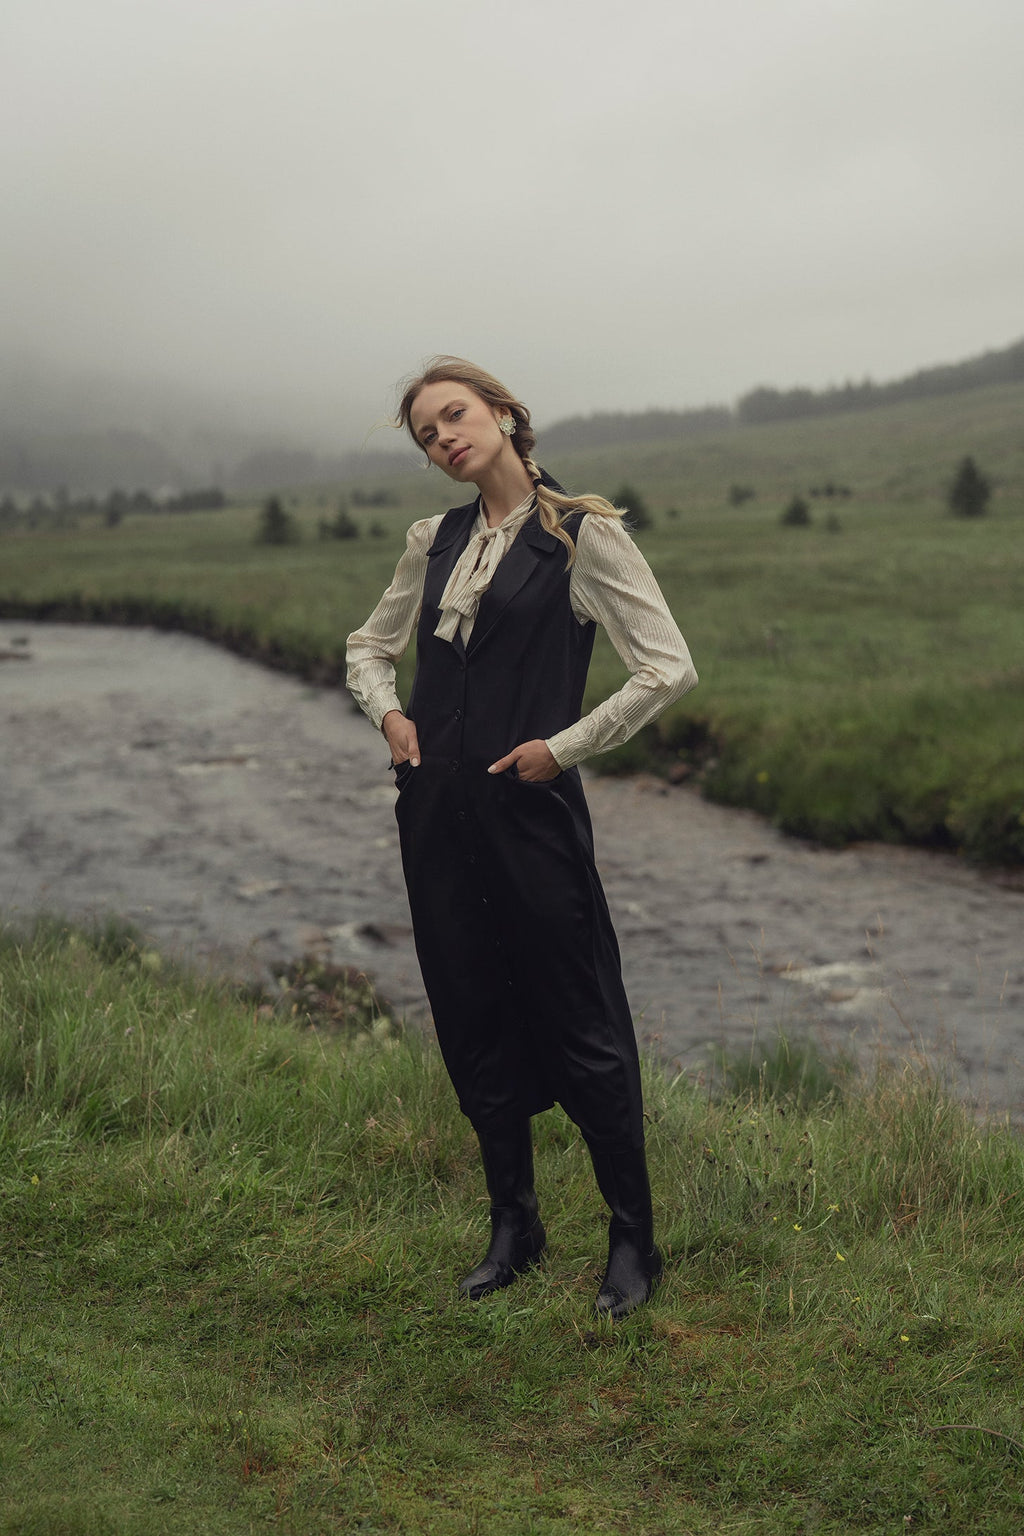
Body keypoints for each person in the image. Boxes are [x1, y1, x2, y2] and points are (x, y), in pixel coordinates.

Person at [345, 357, 697, 1319]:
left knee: (580, 1020)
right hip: (435, 821)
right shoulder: (436, 539)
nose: (444, 438)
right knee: (469, 1011)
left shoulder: (581, 536)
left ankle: (633, 1239)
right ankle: (516, 1226)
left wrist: (564, 748)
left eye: (455, 415)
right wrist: (391, 717)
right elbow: (367, 648)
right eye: (427, 433)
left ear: (503, 413)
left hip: (531, 821)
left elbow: (666, 668)